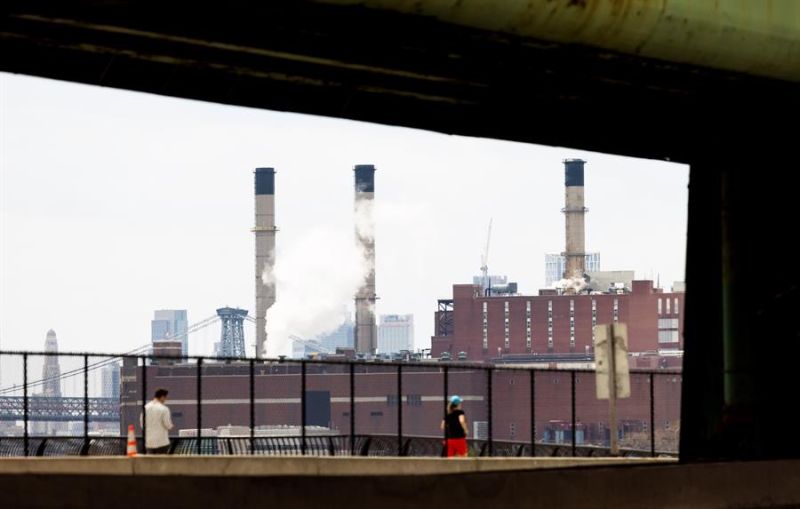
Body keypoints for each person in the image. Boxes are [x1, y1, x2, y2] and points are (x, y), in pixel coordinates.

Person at [140, 388, 174, 454]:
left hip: (149, 442)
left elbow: (142, 424)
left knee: (150, 462)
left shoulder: (146, 408)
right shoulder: (164, 409)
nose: (165, 400)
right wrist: (171, 426)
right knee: (162, 462)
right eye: (165, 398)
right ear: (162, 397)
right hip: (161, 442)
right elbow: (167, 424)